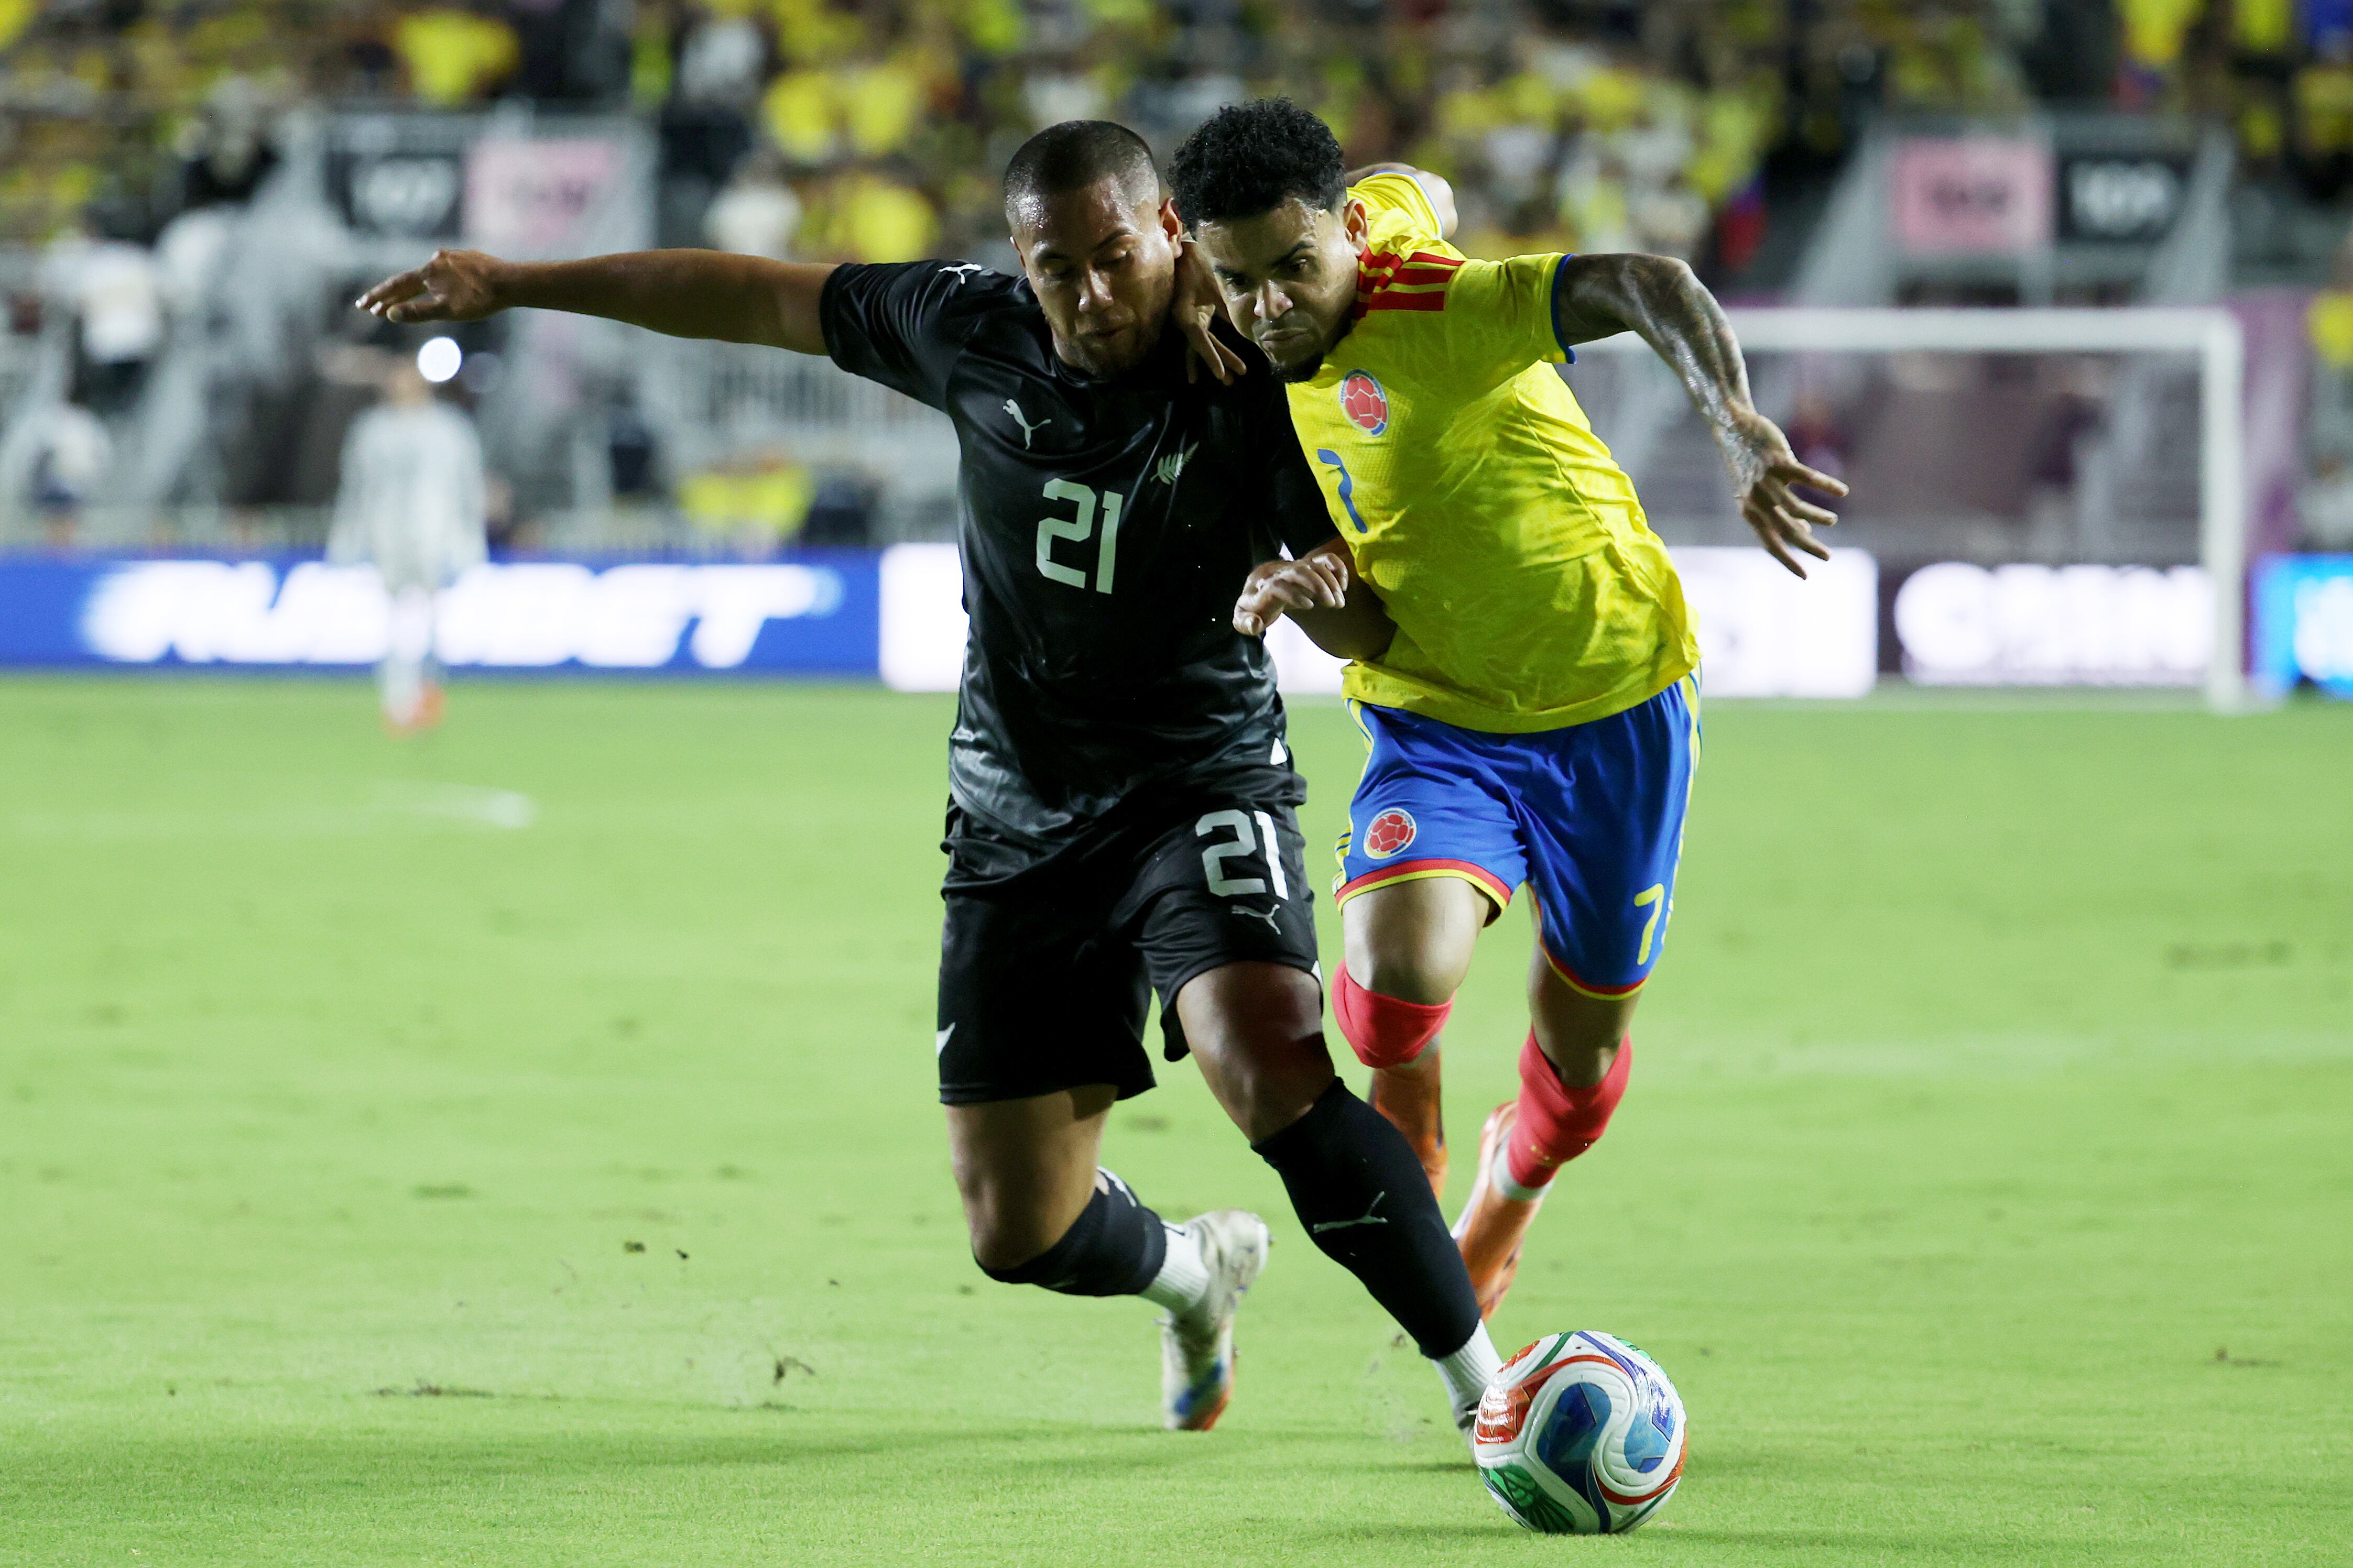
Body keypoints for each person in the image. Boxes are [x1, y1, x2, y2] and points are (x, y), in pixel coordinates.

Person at [356, 120, 1507, 1436]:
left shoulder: (1252, 358)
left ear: (1170, 235)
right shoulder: (969, 330)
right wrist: (516, 280)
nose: (1091, 293)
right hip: (1015, 813)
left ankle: (1489, 1393)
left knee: (1269, 1068)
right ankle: (1194, 1273)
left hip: (1198, 785)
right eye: (1056, 267)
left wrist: (1319, 588)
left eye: (1118, 255)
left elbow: (1362, 600)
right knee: (1020, 1230)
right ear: (1019, 263)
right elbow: (753, 298)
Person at [1175, 100, 1846, 1319]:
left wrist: (1738, 424)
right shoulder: (1324, 254)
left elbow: (1648, 280)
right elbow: (1415, 181)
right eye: (1237, 281)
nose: (1266, 306)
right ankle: (1410, 1111)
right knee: (1390, 972)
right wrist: (1309, 586)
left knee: (1578, 1072)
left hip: (1614, 700)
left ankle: (1511, 1182)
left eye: (1292, 269)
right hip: (1439, 714)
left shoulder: (1437, 304)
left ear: (1347, 234)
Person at [326, 354, 489, 734]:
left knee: (434, 622)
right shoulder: (372, 429)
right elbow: (357, 488)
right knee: (394, 621)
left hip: (437, 536)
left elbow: (468, 486)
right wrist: (346, 536)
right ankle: (397, 699)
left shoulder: (449, 428)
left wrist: (471, 537)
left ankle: (428, 696)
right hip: (387, 536)